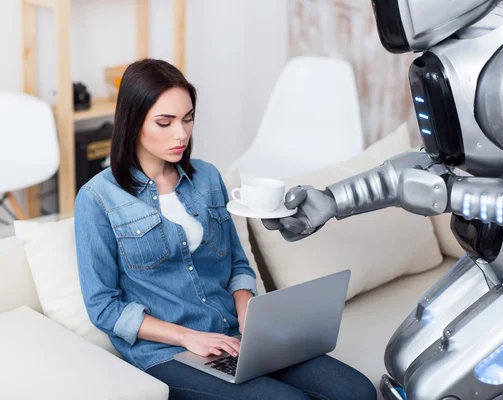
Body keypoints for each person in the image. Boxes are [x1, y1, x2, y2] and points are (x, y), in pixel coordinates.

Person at [73, 58, 376, 400]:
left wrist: (248, 311)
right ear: (133, 122)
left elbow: (237, 265)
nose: (181, 133)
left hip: (235, 335)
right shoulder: (97, 198)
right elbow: (104, 307)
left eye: (188, 119)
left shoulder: (207, 178)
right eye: (165, 122)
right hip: (166, 354)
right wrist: (188, 337)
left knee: (358, 391)